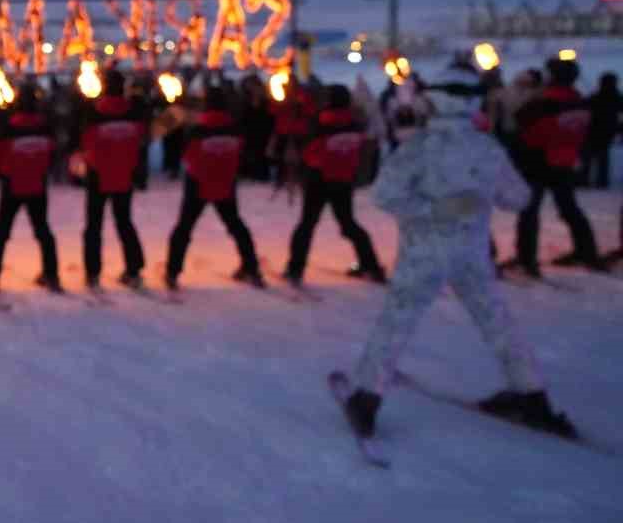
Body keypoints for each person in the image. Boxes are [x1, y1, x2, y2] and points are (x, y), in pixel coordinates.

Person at [333, 87, 577, 441]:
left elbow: (383, 195)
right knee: (496, 321)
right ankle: (532, 395)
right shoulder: (487, 148)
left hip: (424, 254)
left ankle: (366, 398)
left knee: (397, 323)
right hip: (472, 253)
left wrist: (431, 210)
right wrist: (480, 192)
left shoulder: (419, 147)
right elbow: (518, 198)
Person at [283, 84, 384, 286]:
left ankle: (295, 269)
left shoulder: (320, 125)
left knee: (307, 224)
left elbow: (311, 155)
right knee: (348, 223)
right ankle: (371, 265)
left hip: (319, 180)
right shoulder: (355, 125)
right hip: (343, 180)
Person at [165, 85, 263, 290]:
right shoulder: (235, 129)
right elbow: (242, 155)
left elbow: (187, 156)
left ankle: (173, 271)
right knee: (236, 225)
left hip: (198, 183)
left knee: (184, 227)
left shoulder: (198, 131)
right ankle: (252, 267)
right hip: (225, 182)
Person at [510, 57, 602, 275]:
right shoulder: (580, 102)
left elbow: (521, 124)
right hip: (565, 161)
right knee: (570, 208)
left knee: (529, 211)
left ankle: (527, 259)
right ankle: (587, 250)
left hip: (538, 162)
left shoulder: (543, 103)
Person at [0, 83, 60, 292]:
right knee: (43, 231)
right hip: (37, 185)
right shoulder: (44, 129)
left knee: (1, 232)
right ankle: (51, 274)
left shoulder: (10, 129)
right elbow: (52, 155)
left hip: (13, 186)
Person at [77, 70, 149, 290]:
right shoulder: (133, 115)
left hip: (98, 175)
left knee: (94, 226)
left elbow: (85, 143)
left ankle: (92, 273)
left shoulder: (94, 114)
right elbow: (141, 142)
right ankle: (134, 270)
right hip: (124, 175)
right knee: (125, 223)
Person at [581, 71, 619, 188]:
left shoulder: (596, 97)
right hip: (606, 132)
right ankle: (601, 181)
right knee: (602, 158)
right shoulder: (616, 97)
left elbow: (584, 107)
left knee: (588, 158)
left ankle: (584, 180)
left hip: (592, 132)